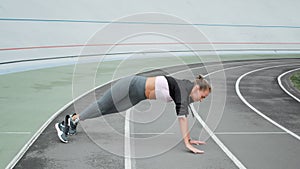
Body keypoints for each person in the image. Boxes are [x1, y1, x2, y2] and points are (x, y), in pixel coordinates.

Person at [55, 74, 211, 154]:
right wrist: (187, 144)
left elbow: (186, 112)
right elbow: (182, 118)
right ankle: (67, 123)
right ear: (197, 89)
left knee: (107, 110)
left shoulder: (188, 90)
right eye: (203, 96)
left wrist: (189, 138)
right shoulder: (183, 90)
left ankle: (74, 120)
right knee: (103, 105)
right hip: (131, 85)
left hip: (136, 96)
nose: (202, 100)